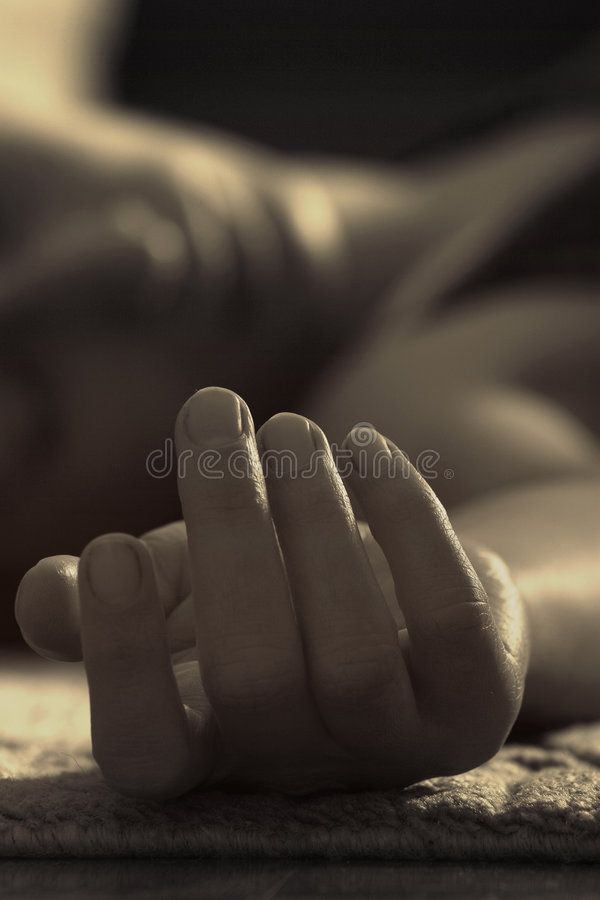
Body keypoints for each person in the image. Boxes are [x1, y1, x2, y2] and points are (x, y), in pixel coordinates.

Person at [8, 96, 600, 796]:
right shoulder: (405, 401)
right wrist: (469, 600)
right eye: (32, 394)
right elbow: (559, 522)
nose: (126, 256)